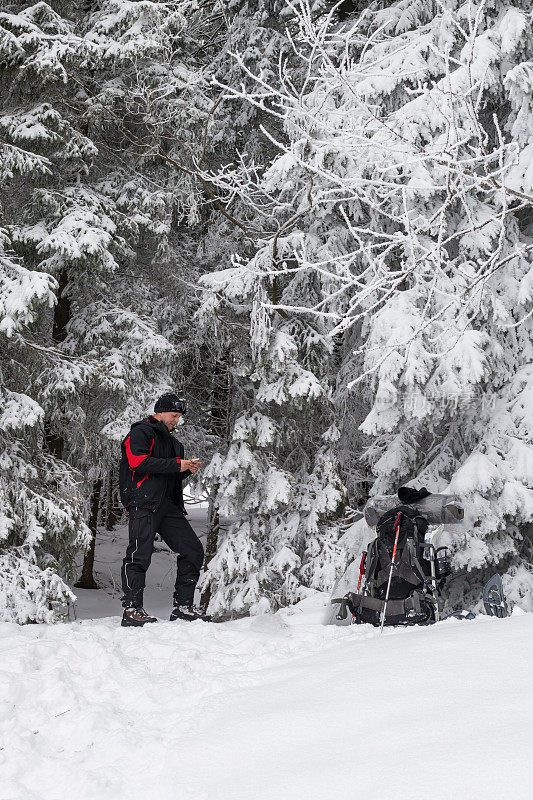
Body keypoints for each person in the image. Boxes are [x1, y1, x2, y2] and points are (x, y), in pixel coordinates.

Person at [118, 393, 209, 627]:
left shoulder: (174, 443)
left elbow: (167, 476)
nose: (176, 421)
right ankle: (132, 609)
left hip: (168, 506)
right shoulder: (140, 432)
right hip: (143, 502)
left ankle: (183, 607)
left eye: (178, 417)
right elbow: (137, 462)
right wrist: (177, 464)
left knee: (192, 549)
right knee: (139, 554)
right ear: (159, 412)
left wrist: (186, 470)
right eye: (173, 415)